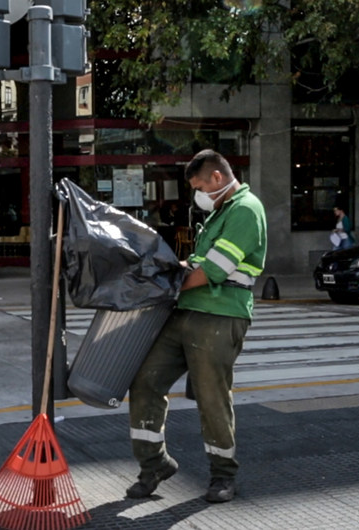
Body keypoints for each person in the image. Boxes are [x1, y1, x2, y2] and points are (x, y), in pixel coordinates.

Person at [126, 149, 266, 504]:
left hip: (221, 315)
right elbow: (198, 262)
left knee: (211, 396)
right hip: (186, 312)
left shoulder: (246, 210)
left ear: (217, 178)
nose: (197, 195)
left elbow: (212, 270)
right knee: (144, 380)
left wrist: (167, 284)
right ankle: (153, 464)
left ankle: (223, 475)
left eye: (199, 186)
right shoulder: (220, 212)